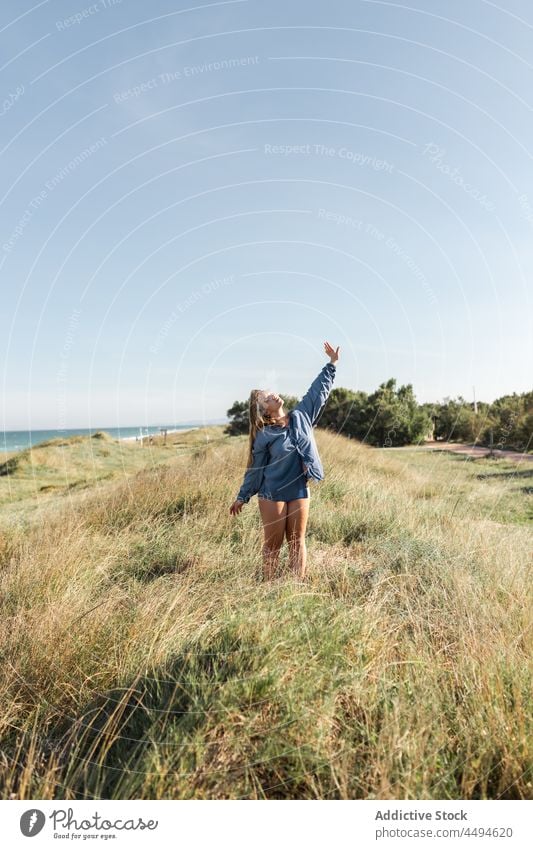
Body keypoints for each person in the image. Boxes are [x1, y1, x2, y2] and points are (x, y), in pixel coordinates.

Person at [229, 340, 340, 581]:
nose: (272, 396)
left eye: (270, 393)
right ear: (264, 411)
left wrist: (331, 364)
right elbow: (255, 470)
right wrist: (242, 495)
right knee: (273, 546)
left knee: (297, 542)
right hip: (272, 493)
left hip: (299, 489)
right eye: (266, 399)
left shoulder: (301, 416)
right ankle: (269, 589)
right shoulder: (265, 435)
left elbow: (317, 392)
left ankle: (296, 588)